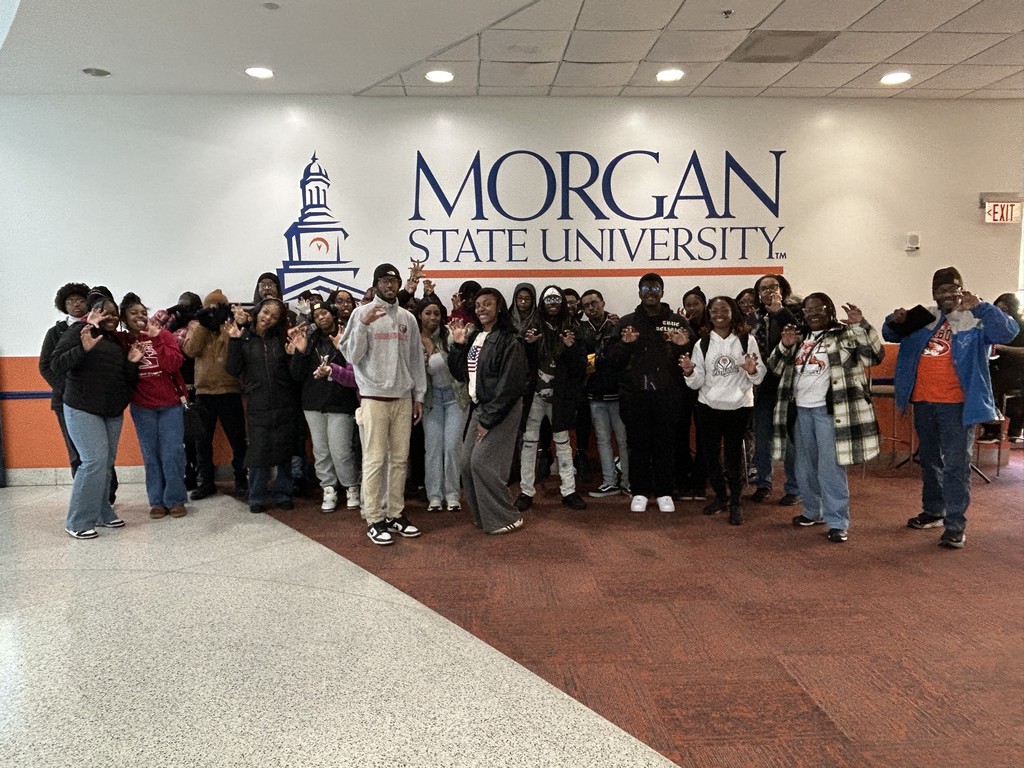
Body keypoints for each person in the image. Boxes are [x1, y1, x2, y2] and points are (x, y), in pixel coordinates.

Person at [883, 266, 1018, 549]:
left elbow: (1008, 332)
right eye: (940, 290)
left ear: (961, 289)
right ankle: (934, 510)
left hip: (957, 405)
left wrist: (981, 307)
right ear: (934, 293)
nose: (946, 294)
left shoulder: (976, 317)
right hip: (924, 401)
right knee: (929, 459)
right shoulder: (924, 316)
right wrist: (895, 319)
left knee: (956, 464)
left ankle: (955, 525)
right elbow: (891, 334)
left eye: (952, 289)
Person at [770, 294, 884, 543]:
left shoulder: (844, 334)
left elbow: (873, 356)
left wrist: (860, 325)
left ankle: (837, 521)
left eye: (817, 309)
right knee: (804, 467)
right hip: (801, 411)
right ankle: (813, 511)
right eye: (807, 310)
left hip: (831, 413)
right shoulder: (799, 337)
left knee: (830, 469)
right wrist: (785, 346)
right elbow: (776, 367)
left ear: (829, 310)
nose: (812, 314)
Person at [338, 263, 427, 546]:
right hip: (373, 397)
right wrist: (363, 325)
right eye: (385, 280)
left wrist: (418, 396)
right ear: (376, 283)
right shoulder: (360, 314)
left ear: (399, 284)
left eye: (394, 281)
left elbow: (415, 360)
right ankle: (374, 518)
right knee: (375, 459)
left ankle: (395, 514)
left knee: (399, 459)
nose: (390, 285)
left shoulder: (407, 318)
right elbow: (352, 356)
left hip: (402, 397)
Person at [50, 291, 143, 538]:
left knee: (105, 463)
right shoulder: (78, 332)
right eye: (105, 313)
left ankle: (102, 512)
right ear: (93, 313)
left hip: (111, 411)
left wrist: (132, 363)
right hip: (82, 408)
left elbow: (123, 378)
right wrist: (82, 348)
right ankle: (78, 521)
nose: (111, 317)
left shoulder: (115, 341)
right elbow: (56, 364)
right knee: (93, 462)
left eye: (114, 314)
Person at [605, 273, 690, 513]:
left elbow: (693, 356)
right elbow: (611, 360)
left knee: (666, 445)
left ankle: (665, 492)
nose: (650, 293)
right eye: (646, 288)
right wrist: (625, 344)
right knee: (637, 445)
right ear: (639, 292)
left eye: (655, 288)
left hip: (668, 395)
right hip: (635, 397)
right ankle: (640, 491)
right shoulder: (627, 322)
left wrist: (683, 345)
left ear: (662, 292)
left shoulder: (677, 322)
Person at [448, 288, 528, 534]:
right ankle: (485, 516)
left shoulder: (510, 340)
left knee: (482, 463)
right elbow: (460, 374)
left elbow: (510, 385)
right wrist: (459, 345)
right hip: (479, 407)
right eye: (478, 305)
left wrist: (489, 420)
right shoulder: (476, 336)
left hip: (501, 408)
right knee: (465, 464)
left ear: (499, 307)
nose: (481, 308)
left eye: (487, 304)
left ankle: (506, 517)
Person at [680, 296, 765, 525]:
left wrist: (752, 370)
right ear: (709, 314)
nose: (719, 314)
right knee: (710, 455)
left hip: (739, 406)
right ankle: (720, 497)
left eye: (724, 309)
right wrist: (689, 372)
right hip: (708, 406)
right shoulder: (703, 343)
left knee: (733, 457)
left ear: (732, 312)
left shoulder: (746, 339)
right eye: (714, 310)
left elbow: (759, 376)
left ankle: (736, 501)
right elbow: (697, 382)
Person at [515, 285, 588, 511]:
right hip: (534, 395)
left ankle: (569, 490)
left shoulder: (573, 328)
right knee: (529, 442)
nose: (553, 304)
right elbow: (521, 364)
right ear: (542, 304)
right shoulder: (531, 327)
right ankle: (526, 491)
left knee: (563, 442)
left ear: (562, 303)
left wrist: (571, 348)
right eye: (549, 300)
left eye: (557, 300)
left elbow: (581, 367)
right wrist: (529, 346)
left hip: (561, 396)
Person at [226, 297, 300, 513]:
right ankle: (256, 496)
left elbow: (294, 374)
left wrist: (292, 355)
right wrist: (234, 341)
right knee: (259, 452)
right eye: (266, 312)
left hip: (284, 401)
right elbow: (233, 369)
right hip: (257, 402)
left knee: (284, 451)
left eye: (274, 316)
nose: (268, 318)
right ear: (258, 311)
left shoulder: (281, 339)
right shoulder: (244, 336)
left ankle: (283, 493)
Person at [120, 292, 189, 519]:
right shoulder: (122, 341)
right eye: (134, 313)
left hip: (171, 405)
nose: (140, 316)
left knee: (172, 453)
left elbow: (174, 365)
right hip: (142, 407)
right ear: (124, 318)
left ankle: (175, 499)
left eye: (143, 312)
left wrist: (157, 339)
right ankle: (157, 501)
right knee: (151, 456)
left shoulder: (164, 335)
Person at [289, 301, 361, 512]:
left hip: (340, 402)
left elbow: (358, 369)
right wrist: (300, 352)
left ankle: (351, 486)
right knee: (321, 450)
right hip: (313, 403)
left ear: (333, 314)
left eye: (325, 313)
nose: (322, 317)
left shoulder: (346, 335)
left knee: (341, 450)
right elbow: (296, 375)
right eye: (317, 315)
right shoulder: (310, 340)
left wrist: (342, 348)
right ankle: (328, 487)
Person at [182, 290, 248, 499]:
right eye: (209, 308)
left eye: (217, 308)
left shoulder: (231, 327)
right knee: (202, 441)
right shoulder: (196, 326)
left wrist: (224, 325)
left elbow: (235, 353)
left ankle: (241, 479)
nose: (212, 312)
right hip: (203, 392)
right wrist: (204, 325)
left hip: (230, 390)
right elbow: (190, 350)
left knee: (238, 440)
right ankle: (206, 481)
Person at [749, 274, 802, 506]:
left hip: (789, 386)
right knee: (762, 437)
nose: (769, 291)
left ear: (783, 289)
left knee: (789, 439)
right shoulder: (755, 318)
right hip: (762, 385)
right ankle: (763, 483)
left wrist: (780, 312)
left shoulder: (795, 311)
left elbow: (801, 335)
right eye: (763, 288)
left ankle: (794, 487)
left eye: (773, 286)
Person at [416, 296, 468, 512]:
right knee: (433, 448)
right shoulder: (413, 339)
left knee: (452, 446)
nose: (433, 317)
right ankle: (435, 496)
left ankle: (453, 494)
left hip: (455, 396)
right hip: (431, 399)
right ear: (420, 315)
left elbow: (454, 364)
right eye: (428, 313)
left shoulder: (450, 333)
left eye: (437, 313)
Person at [579, 289, 630, 497]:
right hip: (594, 394)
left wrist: (597, 359)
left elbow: (620, 358)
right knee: (602, 440)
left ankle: (628, 482)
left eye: (594, 303)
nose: (591, 308)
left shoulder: (617, 325)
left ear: (603, 302)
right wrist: (600, 359)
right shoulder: (582, 329)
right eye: (587, 305)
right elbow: (584, 363)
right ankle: (609, 481)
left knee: (624, 439)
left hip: (618, 393)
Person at [39, 282, 91, 478]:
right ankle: (81, 491)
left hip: (94, 397)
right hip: (65, 400)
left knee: (99, 452)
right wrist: (65, 387)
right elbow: (45, 366)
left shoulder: (96, 327)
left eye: (81, 300)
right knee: (76, 451)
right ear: (64, 305)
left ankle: (107, 492)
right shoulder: (55, 332)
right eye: (71, 301)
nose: (76, 304)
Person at [675, 286, 708, 500]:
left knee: (704, 435)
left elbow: (700, 347)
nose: (692, 308)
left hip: (706, 388)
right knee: (680, 432)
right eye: (688, 304)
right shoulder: (679, 326)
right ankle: (683, 477)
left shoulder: (712, 326)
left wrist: (687, 326)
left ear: (704, 304)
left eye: (696, 303)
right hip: (683, 388)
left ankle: (700, 479)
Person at [981, 293, 1024, 442]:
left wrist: (1002, 348)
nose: (1001, 313)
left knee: (989, 381)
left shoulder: (1021, 326)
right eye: (998, 309)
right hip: (996, 365)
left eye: (1005, 309)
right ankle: (991, 425)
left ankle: (993, 427)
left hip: (1016, 369)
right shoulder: (991, 325)